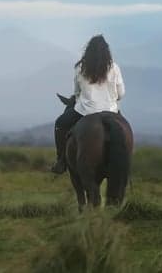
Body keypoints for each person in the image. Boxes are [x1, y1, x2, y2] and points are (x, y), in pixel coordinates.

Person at [50, 34, 125, 174]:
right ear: (107, 51)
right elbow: (121, 94)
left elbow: (77, 93)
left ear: (88, 51)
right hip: (111, 110)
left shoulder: (80, 68)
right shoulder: (114, 68)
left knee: (60, 123)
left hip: (85, 111)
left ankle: (61, 161)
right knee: (124, 130)